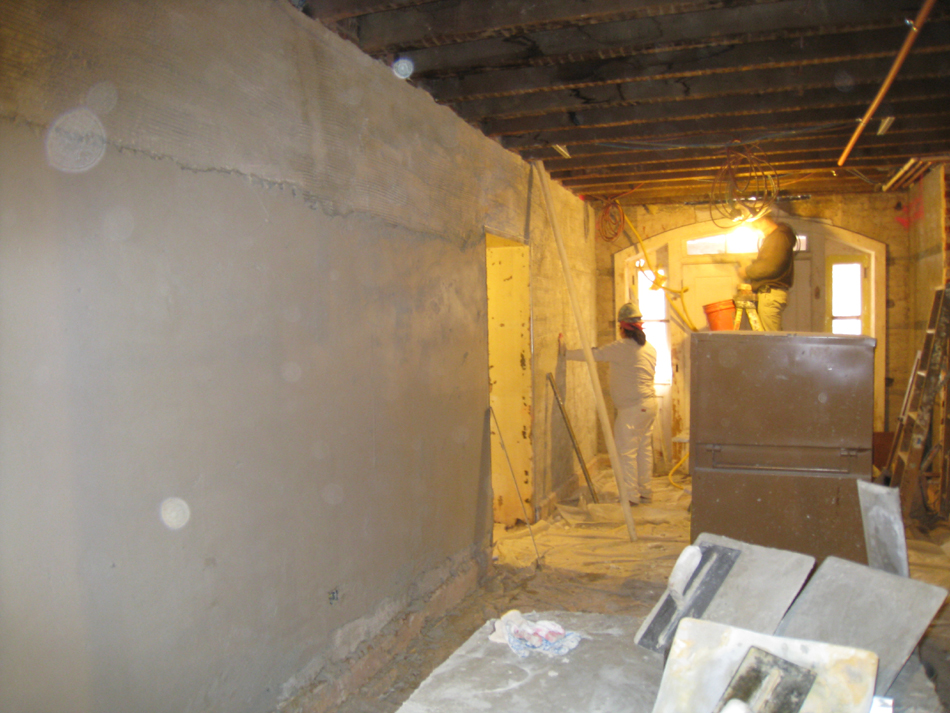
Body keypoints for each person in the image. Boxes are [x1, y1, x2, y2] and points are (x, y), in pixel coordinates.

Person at [563, 303, 657, 505]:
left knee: (626, 452)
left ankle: (630, 497)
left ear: (622, 328)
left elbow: (594, 354)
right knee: (643, 449)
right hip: (648, 406)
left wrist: (566, 353)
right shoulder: (649, 348)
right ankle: (645, 491)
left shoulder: (622, 347)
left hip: (633, 410)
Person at [737, 213, 797, 331]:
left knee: (772, 339)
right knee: (772, 336)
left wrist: (747, 271)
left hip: (771, 294)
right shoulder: (777, 238)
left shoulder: (778, 237)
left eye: (755, 226)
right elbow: (771, 264)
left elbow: (770, 267)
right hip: (770, 294)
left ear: (762, 221)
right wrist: (754, 284)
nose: (757, 231)